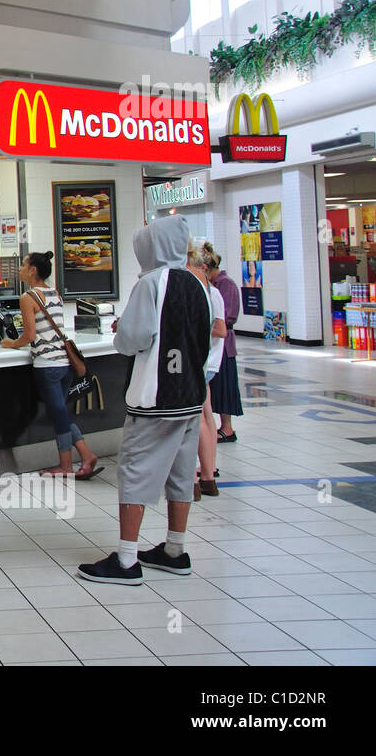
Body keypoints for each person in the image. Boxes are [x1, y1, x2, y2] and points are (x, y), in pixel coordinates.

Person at [78, 216, 211, 585]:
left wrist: (123, 329)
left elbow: (131, 340)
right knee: (182, 475)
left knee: (135, 471)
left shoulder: (150, 284)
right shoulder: (198, 284)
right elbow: (207, 339)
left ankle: (125, 560)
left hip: (154, 400)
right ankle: (174, 549)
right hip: (190, 397)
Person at [0, 251, 102, 479]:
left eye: (24, 265)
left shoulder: (28, 297)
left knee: (59, 416)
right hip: (64, 365)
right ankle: (85, 456)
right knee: (62, 413)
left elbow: (29, 335)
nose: (20, 269)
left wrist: (10, 344)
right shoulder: (54, 292)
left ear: (33, 270)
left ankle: (68, 464)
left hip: (47, 366)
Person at [189, 240, 227, 499]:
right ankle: (208, 474)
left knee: (197, 419)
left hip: (202, 363)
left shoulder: (209, 294)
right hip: (205, 363)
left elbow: (221, 329)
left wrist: (188, 325)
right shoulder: (207, 292)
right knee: (207, 416)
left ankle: (196, 476)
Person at [208, 252, 243, 443]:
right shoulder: (212, 286)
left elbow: (228, 316)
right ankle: (218, 427)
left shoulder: (225, 284)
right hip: (213, 344)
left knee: (224, 386)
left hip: (225, 345)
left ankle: (227, 428)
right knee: (215, 387)